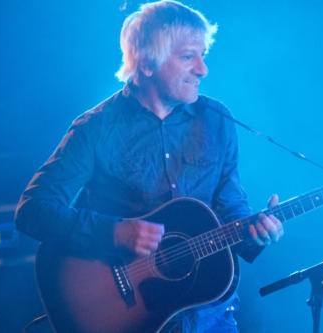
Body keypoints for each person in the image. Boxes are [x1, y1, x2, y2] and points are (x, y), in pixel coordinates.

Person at [15, 1, 283, 332]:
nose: (203, 69)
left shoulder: (217, 120)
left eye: (203, 55)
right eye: (188, 56)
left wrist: (255, 234)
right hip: (126, 317)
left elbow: (230, 211)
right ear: (146, 64)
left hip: (209, 313)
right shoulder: (95, 128)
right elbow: (33, 210)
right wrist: (113, 233)